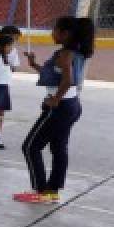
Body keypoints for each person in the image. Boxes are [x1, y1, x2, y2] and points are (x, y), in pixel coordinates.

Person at [15, 17, 94, 204]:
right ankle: (52, 191)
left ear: (65, 34)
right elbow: (55, 76)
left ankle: (41, 191)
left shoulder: (66, 54)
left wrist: (56, 99)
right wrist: (34, 64)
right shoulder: (72, 52)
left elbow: (68, 81)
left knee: (30, 147)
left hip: (60, 107)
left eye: (55, 30)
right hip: (72, 106)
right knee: (58, 148)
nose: (52, 33)